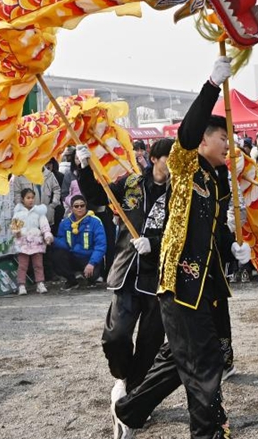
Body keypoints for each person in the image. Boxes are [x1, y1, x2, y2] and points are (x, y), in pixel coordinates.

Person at [113, 57, 247, 439]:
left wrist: (235, 249)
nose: (228, 147)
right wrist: (210, 85)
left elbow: (215, 232)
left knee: (181, 360)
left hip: (207, 287)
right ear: (204, 141)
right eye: (223, 139)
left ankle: (129, 409)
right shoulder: (186, 164)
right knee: (203, 363)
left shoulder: (215, 180)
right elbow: (186, 132)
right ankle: (208, 433)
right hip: (181, 285)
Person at [76, 137, 173, 401]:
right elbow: (97, 196)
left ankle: (134, 396)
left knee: (150, 344)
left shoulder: (180, 194)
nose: (173, 163)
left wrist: (154, 244)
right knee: (115, 337)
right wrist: (84, 167)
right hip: (127, 271)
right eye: (168, 158)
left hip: (160, 278)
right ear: (154, 159)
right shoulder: (132, 184)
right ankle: (122, 376)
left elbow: (185, 235)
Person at [55, 195, 107, 290]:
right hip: (73, 256)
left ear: (86, 206)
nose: (79, 208)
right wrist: (52, 240)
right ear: (71, 208)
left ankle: (91, 279)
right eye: (76, 206)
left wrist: (92, 263)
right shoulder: (65, 223)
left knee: (93, 275)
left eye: (82, 205)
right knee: (57, 254)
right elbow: (62, 243)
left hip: (89, 258)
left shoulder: (95, 222)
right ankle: (71, 281)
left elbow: (100, 246)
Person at [10, 187, 54, 295]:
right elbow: (14, 228)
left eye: (32, 198)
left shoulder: (39, 212)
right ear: (22, 199)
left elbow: (44, 226)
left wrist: (47, 235)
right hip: (23, 242)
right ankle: (21, 285)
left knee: (38, 264)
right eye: (28, 198)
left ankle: (40, 283)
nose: (31, 200)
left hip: (36, 241)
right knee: (22, 265)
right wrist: (17, 232)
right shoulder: (18, 213)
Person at [12, 164, 62, 235]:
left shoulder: (49, 174)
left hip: (46, 213)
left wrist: (53, 205)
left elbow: (57, 189)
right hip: (28, 217)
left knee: (46, 237)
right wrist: (22, 208)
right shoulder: (20, 175)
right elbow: (17, 193)